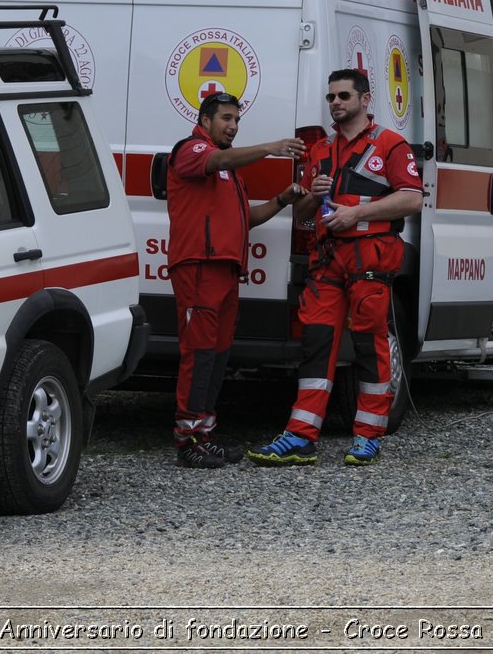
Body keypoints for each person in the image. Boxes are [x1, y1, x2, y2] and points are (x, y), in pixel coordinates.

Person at [248, 69, 423, 467]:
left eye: (343, 95)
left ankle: (368, 436)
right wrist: (312, 197)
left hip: (369, 258)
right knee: (316, 346)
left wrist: (357, 213)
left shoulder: (391, 145)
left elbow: (412, 199)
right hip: (328, 260)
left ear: (365, 99)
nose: (336, 103)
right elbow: (305, 214)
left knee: (369, 345)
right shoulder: (321, 150)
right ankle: (300, 436)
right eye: (330, 97)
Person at [166, 91, 304, 469]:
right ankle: (187, 438)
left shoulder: (229, 172)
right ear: (206, 120)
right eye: (226, 118)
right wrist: (272, 147)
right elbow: (217, 159)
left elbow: (247, 218)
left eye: (237, 120)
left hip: (225, 270)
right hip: (198, 266)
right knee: (198, 352)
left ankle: (203, 434)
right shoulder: (191, 149)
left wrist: (281, 200)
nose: (233, 126)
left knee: (217, 352)